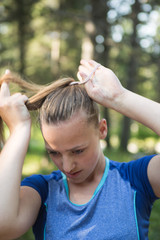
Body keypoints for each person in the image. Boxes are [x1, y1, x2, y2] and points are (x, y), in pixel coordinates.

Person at [0, 60, 159, 240]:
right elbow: (3, 225)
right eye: (54, 153)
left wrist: (120, 98)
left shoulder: (135, 179)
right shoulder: (42, 191)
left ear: (102, 130)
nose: (67, 166)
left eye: (77, 151)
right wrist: (18, 130)